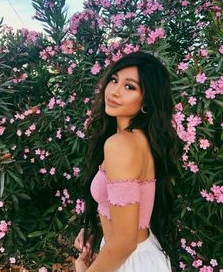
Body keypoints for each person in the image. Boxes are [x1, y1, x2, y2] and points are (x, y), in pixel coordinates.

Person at [74, 51, 183, 271]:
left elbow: (125, 243)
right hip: (135, 256)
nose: (114, 91)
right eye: (114, 80)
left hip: (128, 262)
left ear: (147, 100)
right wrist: (100, 226)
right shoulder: (140, 139)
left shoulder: (121, 144)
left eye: (130, 87)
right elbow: (130, 211)